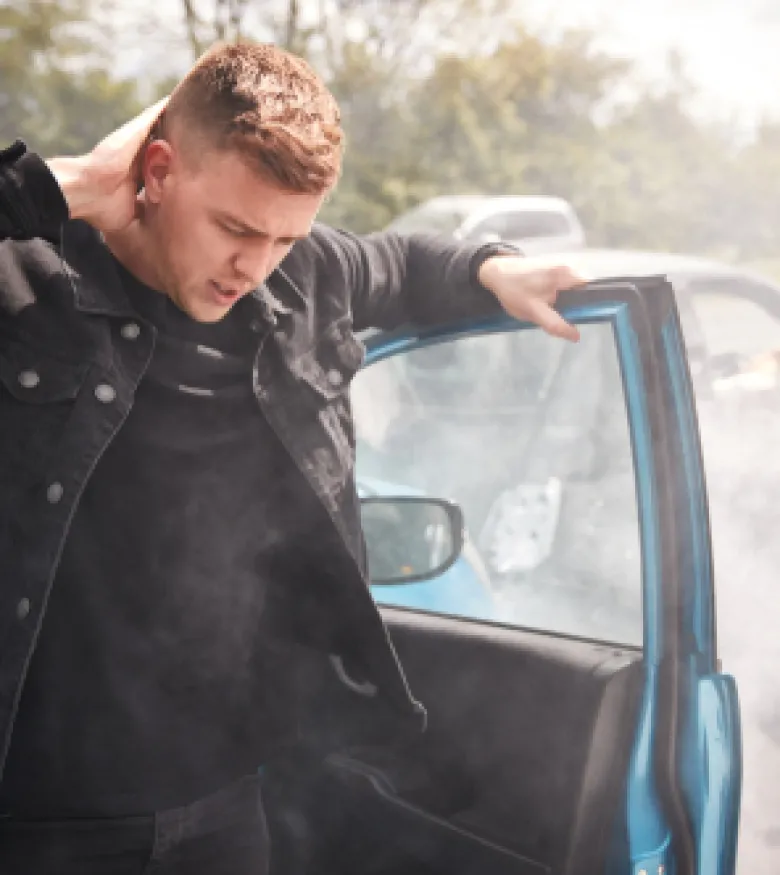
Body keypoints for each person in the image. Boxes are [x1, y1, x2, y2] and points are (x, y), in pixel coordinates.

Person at [0, 41, 584, 875]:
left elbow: (403, 260)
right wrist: (56, 188)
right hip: (39, 825)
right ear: (157, 170)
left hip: (227, 808)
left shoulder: (302, 277)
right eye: (236, 228)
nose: (255, 264)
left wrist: (491, 268)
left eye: (283, 236)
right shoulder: (25, 281)